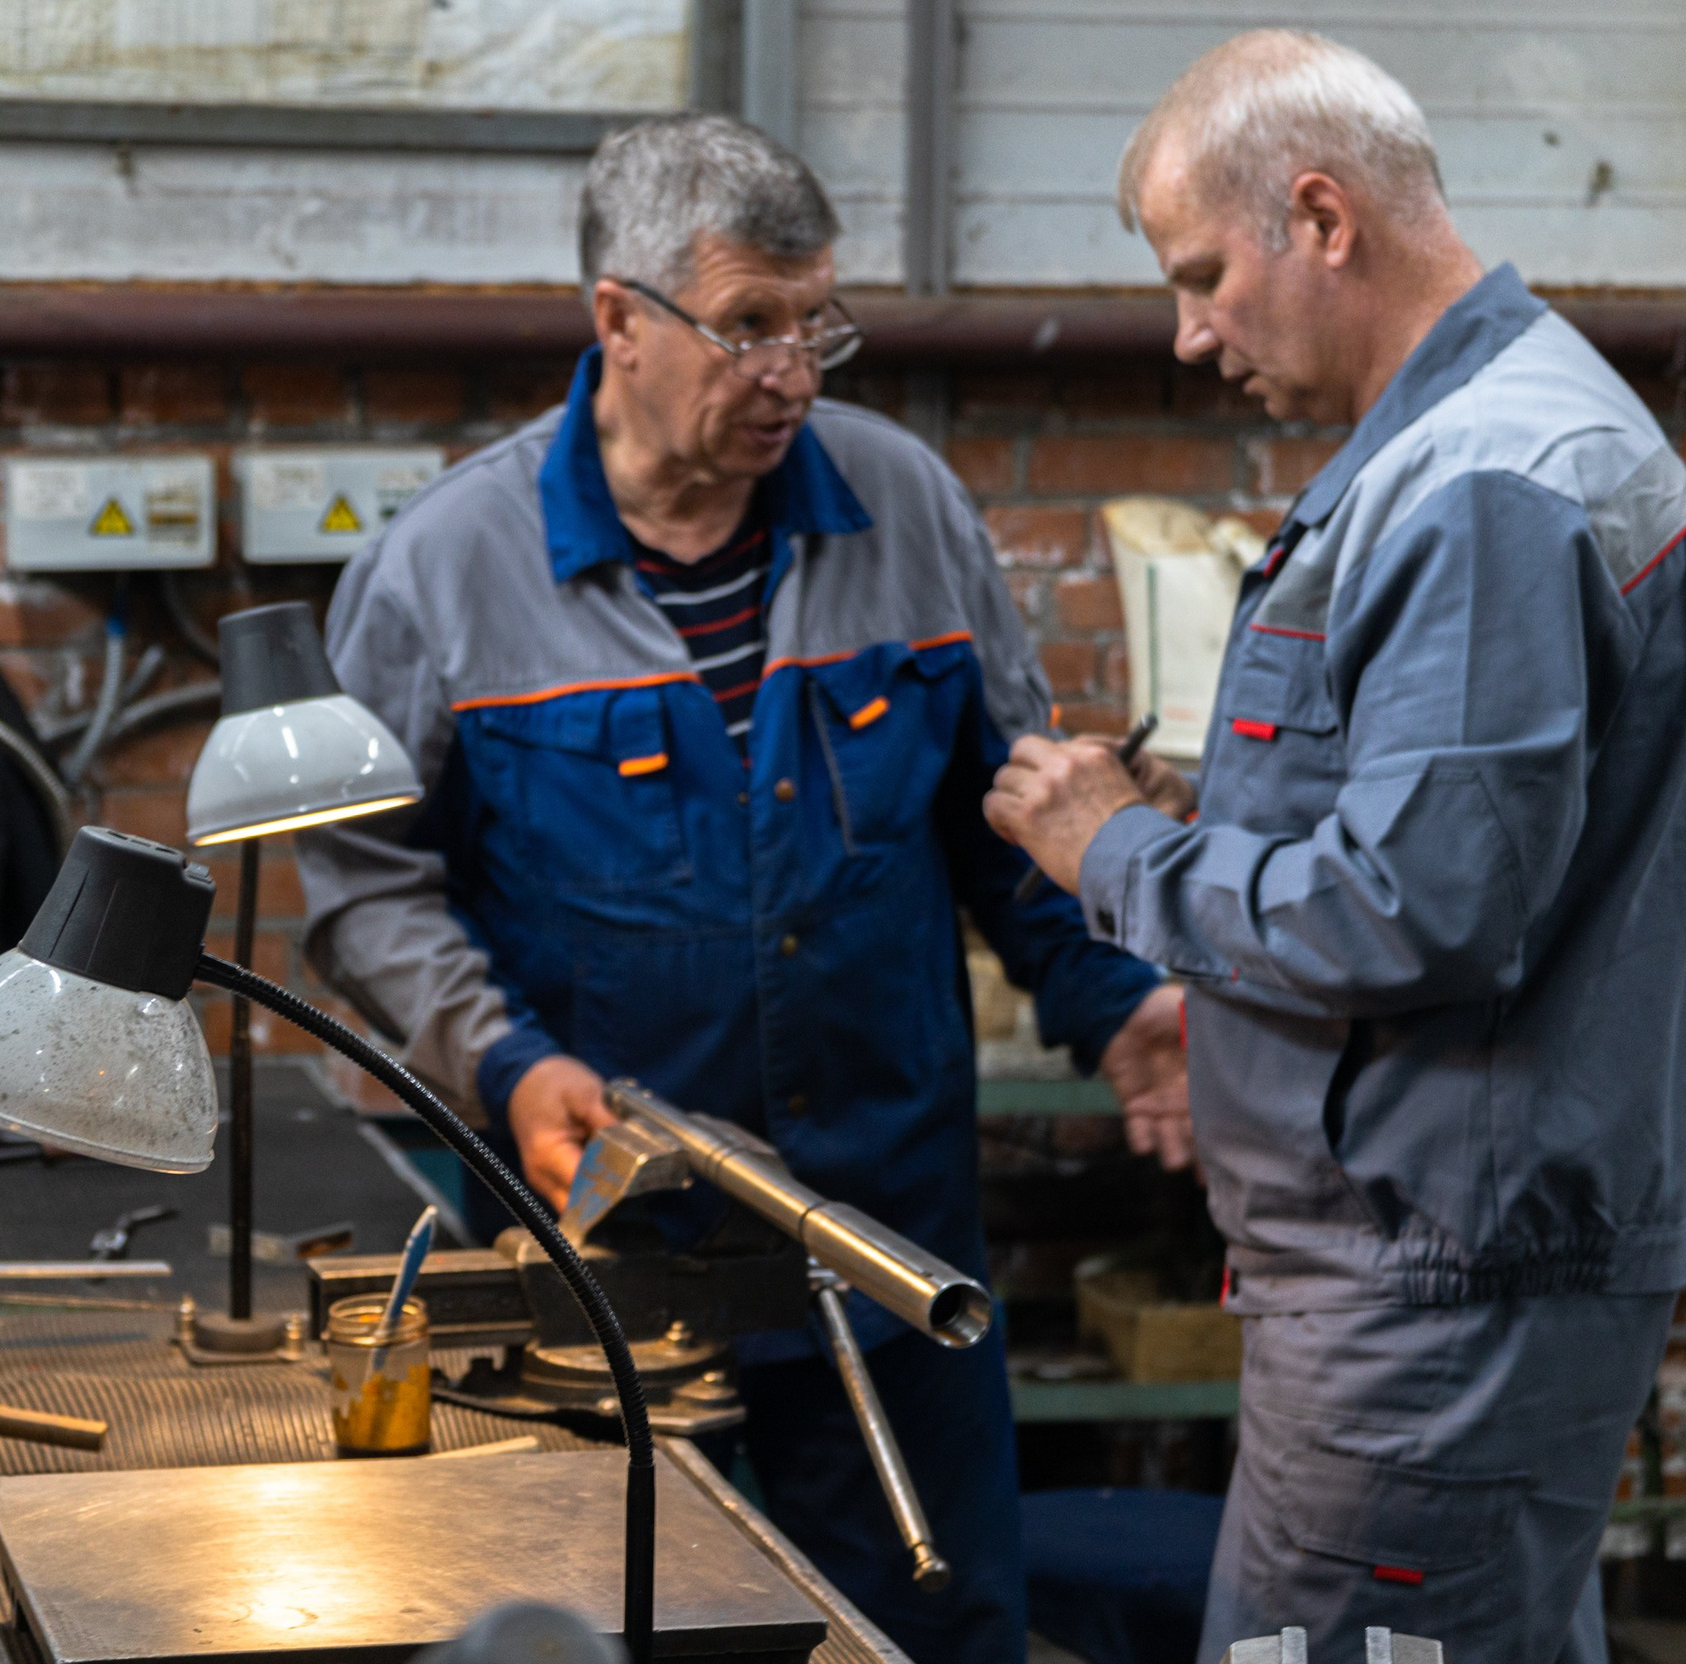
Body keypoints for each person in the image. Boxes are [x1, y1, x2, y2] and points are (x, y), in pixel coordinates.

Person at [296, 112, 1187, 1661]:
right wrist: (503, 1065)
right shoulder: (446, 568)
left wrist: (1118, 999)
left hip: (889, 1225)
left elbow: (1011, 820)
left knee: (935, 1624)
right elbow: (368, 889)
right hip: (602, 1248)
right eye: (748, 326)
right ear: (618, 320)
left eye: (815, 323)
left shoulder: (907, 511)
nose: (791, 371)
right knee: (611, 1619)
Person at [983, 32, 1686, 1664]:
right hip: (1437, 1285)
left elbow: (1422, 911)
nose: (1189, 338)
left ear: (1320, 216)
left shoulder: (1480, 487)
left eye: (1200, 277)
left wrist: (1114, 854)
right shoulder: (1484, 444)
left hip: (1437, 1301)